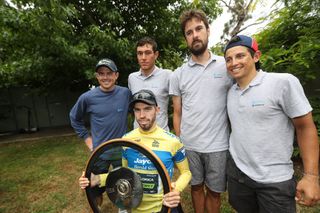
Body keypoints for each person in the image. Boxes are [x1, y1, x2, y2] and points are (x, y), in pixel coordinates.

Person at [224, 34, 320, 212]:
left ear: (256, 56)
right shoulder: (231, 92)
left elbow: (305, 127)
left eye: (240, 56)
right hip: (239, 175)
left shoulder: (282, 83)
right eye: (228, 59)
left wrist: (311, 177)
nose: (233, 62)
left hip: (275, 181)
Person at [79, 89, 192, 213]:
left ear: (157, 110)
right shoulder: (127, 140)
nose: (142, 115)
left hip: (165, 206)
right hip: (135, 208)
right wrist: (97, 179)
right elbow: (125, 174)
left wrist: (176, 190)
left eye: (147, 108)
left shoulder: (173, 141)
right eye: (137, 110)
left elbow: (186, 172)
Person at [169, 9, 233, 213]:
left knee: (214, 192)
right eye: (189, 32)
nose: (195, 35)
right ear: (186, 38)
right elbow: (177, 113)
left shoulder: (226, 66)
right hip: (190, 146)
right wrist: (179, 143)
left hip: (218, 145)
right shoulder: (178, 75)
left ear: (208, 30)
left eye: (198, 29)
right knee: (195, 187)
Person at [70, 58, 131, 206]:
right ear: (97, 76)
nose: (105, 77)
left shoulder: (125, 94)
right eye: (101, 74)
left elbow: (136, 111)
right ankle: (97, 207)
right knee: (94, 188)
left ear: (116, 75)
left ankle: (123, 208)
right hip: (99, 153)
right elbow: (74, 117)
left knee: (122, 185)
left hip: (120, 151)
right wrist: (88, 141)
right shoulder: (87, 98)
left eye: (109, 73)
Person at [128, 37, 172, 131]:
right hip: (138, 138)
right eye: (140, 53)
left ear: (156, 55)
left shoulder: (167, 75)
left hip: (161, 137)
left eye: (147, 53)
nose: (143, 58)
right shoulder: (132, 78)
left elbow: (177, 106)